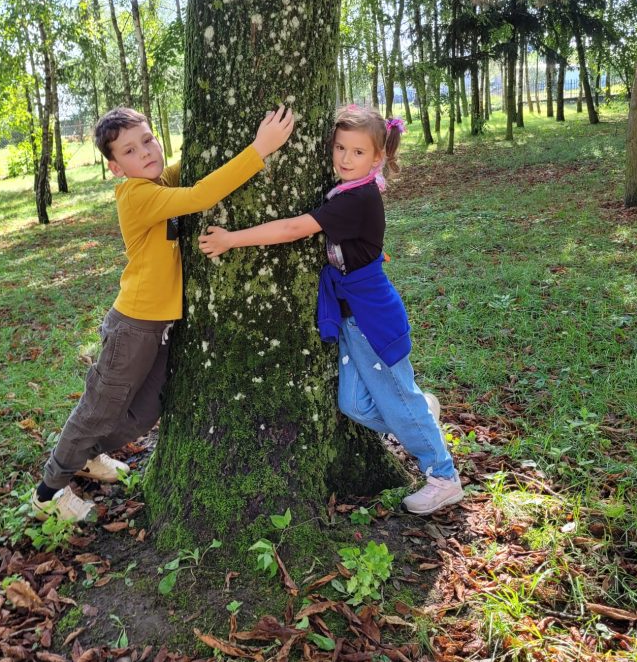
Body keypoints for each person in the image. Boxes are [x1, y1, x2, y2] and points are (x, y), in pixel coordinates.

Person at [33, 104, 295, 521]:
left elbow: (194, 170)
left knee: (148, 408)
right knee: (100, 407)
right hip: (133, 325)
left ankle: (88, 456)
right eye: (130, 151)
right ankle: (48, 492)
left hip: (160, 325)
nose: (145, 152)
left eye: (148, 140)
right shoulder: (136, 194)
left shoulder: (158, 181)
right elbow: (201, 195)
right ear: (116, 168)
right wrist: (259, 148)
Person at [198, 104, 462, 516]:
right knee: (353, 405)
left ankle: (444, 477)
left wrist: (231, 239)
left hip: (372, 317)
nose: (345, 158)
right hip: (352, 317)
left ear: (377, 158)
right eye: (340, 147)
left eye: (357, 152)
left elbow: (293, 229)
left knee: (397, 400)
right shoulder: (349, 190)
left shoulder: (357, 199)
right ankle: (420, 414)